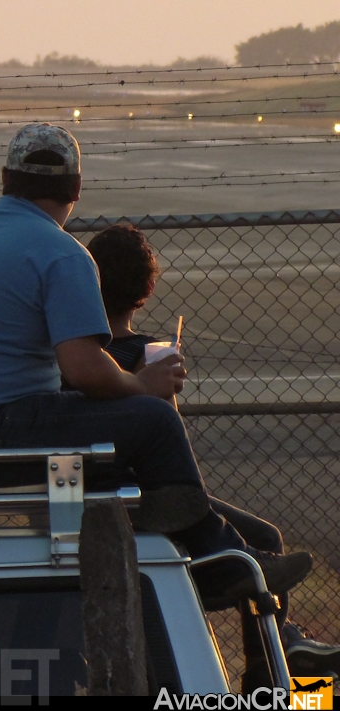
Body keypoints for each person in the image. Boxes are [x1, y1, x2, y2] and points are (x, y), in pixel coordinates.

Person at [0, 122, 311, 609]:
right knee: (153, 421)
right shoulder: (59, 251)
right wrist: (141, 383)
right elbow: (85, 367)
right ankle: (218, 561)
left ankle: (207, 543)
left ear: (6, 179)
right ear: (75, 188)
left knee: (111, 446)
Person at [87, 224, 340, 685]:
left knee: (260, 540)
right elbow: (167, 436)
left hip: (106, 483)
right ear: (146, 290)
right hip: (146, 491)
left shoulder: (82, 355)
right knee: (265, 538)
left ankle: (283, 648)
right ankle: (270, 674)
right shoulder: (145, 354)